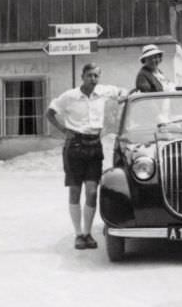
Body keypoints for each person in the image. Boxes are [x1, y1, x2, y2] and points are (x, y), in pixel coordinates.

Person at [46, 62, 125, 250]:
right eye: (89, 75)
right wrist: (64, 130)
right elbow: (50, 113)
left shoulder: (104, 92)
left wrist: (125, 96)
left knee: (92, 192)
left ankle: (88, 234)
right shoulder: (70, 96)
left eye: (96, 76)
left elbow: (124, 92)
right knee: (75, 191)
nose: (93, 79)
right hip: (74, 146)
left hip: (94, 146)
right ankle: (78, 234)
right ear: (82, 76)